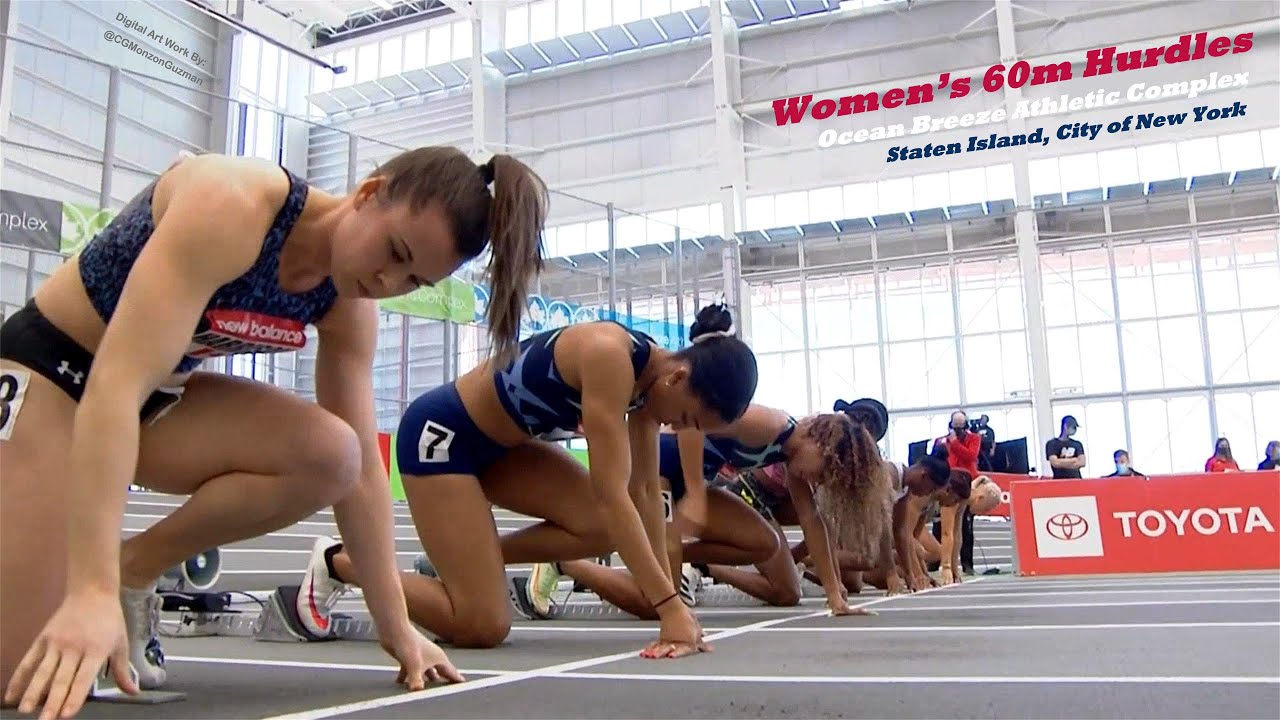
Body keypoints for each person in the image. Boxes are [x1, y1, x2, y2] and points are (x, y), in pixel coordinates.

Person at [1, 148, 550, 717]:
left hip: (157, 405)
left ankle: (133, 568)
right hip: (52, 376)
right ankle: (92, 577)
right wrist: (86, 593)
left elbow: (362, 474)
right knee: (18, 675)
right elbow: (113, 385)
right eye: (395, 252)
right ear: (368, 193)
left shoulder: (347, 301)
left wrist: (398, 630)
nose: (387, 281)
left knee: (335, 454)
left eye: (413, 279)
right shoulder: (232, 205)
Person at [302, 304, 758, 659]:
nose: (679, 430)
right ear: (678, 377)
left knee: (599, 525)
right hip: (443, 438)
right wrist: (669, 608)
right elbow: (614, 493)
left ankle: (469, 560)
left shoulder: (649, 392)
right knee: (481, 627)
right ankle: (339, 562)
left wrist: (665, 592)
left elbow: (643, 492)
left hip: (505, 450)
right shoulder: (610, 356)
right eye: (685, 418)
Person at [542, 410, 887, 618]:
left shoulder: (788, 455)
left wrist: (835, 596)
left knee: (764, 542)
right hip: (654, 469)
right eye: (825, 470)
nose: (818, 479)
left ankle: (664, 557)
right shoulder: (769, 423)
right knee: (659, 602)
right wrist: (694, 490)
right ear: (820, 443)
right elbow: (694, 421)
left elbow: (812, 521)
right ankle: (566, 563)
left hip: (690, 483)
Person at [931, 411, 980, 574]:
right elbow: (936, 460)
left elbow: (970, 456)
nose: (958, 430)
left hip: (966, 485)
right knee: (940, 526)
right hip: (947, 485)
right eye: (955, 426)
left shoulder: (974, 439)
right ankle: (936, 559)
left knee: (965, 526)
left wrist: (956, 443)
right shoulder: (942, 441)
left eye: (961, 426)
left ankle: (966, 563)